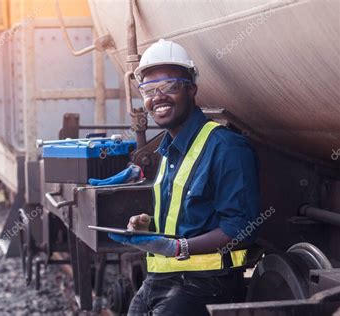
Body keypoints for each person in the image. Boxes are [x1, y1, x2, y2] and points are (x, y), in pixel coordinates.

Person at [108, 39, 261, 315]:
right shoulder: (168, 149)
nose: (158, 97)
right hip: (159, 280)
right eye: (149, 89)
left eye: (169, 86)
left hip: (205, 286)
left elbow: (241, 227)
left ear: (192, 89)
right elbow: (188, 217)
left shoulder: (226, 147)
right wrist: (147, 225)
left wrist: (179, 247)